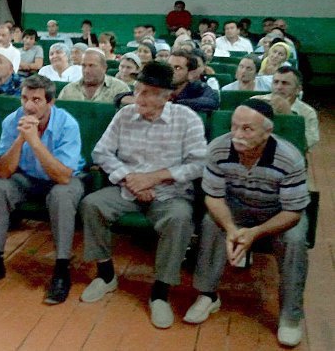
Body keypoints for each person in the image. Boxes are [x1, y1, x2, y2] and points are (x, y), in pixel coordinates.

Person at [80, 61, 207, 329]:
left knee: (180, 219)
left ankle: (160, 292)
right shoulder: (125, 115)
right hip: (127, 189)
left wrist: (156, 177)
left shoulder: (187, 119)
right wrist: (130, 178)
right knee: (92, 205)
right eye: (138, 90)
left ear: (167, 96)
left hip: (169, 193)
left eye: (148, 92)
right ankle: (106, 275)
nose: (139, 97)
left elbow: (198, 164)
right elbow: (101, 153)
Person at [184, 99, 310, 348]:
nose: (237, 134)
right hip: (236, 207)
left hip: (278, 212)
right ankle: (208, 295)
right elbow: (214, 197)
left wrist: (256, 232)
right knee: (212, 224)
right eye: (234, 126)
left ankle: (290, 316)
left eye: (247, 129)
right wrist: (232, 228)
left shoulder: (290, 158)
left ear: (267, 131)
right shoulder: (218, 149)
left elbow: (294, 212)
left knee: (294, 241)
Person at [0, 75, 85, 304]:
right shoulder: (12, 121)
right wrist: (21, 140)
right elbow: (3, 171)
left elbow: (62, 175)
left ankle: (62, 269)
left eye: (36, 100)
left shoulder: (67, 124)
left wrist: (35, 142)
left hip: (63, 179)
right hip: (28, 178)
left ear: (50, 102)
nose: (29, 106)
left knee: (62, 195)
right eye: (24, 98)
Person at [252, 66, 319, 150]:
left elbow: (305, 144)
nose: (279, 87)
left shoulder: (308, 113)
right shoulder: (255, 101)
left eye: (285, 83)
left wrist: (288, 115)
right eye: (275, 82)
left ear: (298, 89)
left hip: (289, 157)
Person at [58, 48, 130, 102]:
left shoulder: (120, 89)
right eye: (84, 66)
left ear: (104, 67)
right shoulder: (68, 91)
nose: (86, 70)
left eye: (91, 66)